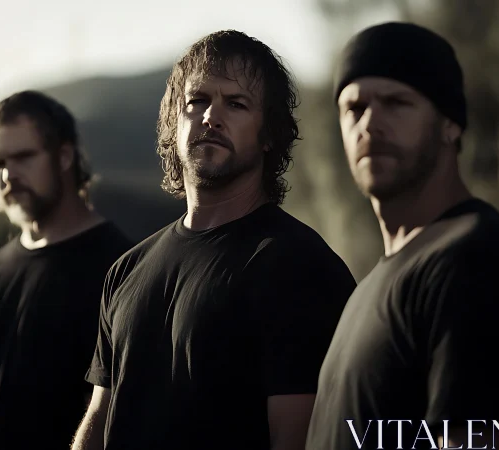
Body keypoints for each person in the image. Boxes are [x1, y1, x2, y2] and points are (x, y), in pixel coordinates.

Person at [70, 30, 357, 450]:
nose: (211, 117)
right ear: (175, 120)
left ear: (268, 135)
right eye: (197, 101)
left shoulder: (299, 267)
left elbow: (301, 436)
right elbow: (99, 419)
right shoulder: (125, 270)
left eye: (236, 104)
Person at [306, 22, 499, 450]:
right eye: (354, 108)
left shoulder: (477, 259)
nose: (369, 123)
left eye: (396, 102)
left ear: (450, 124)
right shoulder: (368, 288)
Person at [0, 90, 133, 450]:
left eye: (23, 157)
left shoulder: (122, 269)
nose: (8, 175)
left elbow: (122, 417)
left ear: (64, 156)